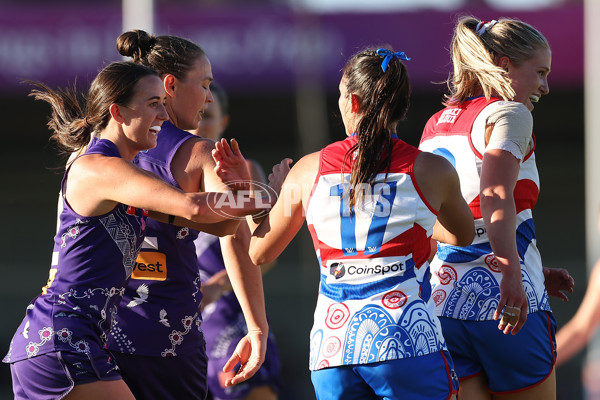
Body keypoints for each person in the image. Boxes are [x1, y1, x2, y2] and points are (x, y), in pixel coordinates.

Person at [216, 46, 476, 399]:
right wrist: (419, 224)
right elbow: (462, 234)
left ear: (352, 102)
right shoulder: (432, 170)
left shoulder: (305, 171)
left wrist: (270, 201)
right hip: (407, 341)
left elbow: (259, 251)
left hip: (332, 348)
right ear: (401, 105)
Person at [2, 61, 264, 400]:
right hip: (63, 337)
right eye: (153, 104)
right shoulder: (102, 167)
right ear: (118, 112)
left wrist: (240, 188)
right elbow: (194, 206)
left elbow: (220, 223)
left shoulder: (121, 176)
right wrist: (266, 194)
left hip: (61, 340)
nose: (164, 116)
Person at [107, 30, 270, 400]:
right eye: (205, 84)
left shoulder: (94, 149)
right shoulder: (199, 153)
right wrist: (256, 328)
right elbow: (234, 232)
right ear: (170, 85)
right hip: (167, 341)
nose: (209, 96)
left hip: (94, 336)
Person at [418, 16, 558, 399]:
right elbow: (494, 194)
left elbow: (455, 214)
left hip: (444, 298)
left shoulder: (436, 123)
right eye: (540, 72)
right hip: (506, 300)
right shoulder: (512, 113)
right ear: (503, 63)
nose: (545, 87)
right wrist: (513, 269)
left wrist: (536, 269)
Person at [190, 81, 282, 400]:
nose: (201, 122)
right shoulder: (164, 171)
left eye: (210, 114)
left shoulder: (246, 172)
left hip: (231, 313)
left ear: (224, 122)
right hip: (171, 315)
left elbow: (266, 254)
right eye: (197, 113)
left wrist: (218, 286)